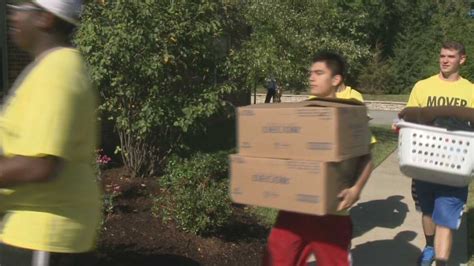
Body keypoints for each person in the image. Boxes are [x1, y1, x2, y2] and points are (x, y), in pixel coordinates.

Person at [0, 1, 101, 265]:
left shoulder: (58, 72)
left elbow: (40, 165)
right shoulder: (47, 68)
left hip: (43, 236)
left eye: (21, 7)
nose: (13, 14)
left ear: (45, 18)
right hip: (30, 232)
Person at [262, 52, 374, 266]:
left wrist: (356, 189)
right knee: (275, 259)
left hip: (331, 213)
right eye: (310, 73)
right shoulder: (303, 110)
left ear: (335, 80)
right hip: (293, 209)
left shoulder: (349, 113)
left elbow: (367, 157)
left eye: (319, 73)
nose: (311, 77)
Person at [401, 41, 473, 266]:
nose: (445, 60)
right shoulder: (423, 86)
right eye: (442, 55)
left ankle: (441, 262)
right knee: (428, 213)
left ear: (462, 59)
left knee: (446, 219)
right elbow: (408, 117)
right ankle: (430, 245)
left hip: (455, 165)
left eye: (451, 56)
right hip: (424, 162)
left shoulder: (470, 90)